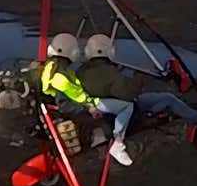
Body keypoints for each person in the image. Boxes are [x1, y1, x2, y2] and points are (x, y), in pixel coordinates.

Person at [40, 33, 135, 166]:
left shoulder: (52, 69)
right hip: (87, 104)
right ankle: (118, 143)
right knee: (127, 106)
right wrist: (90, 107)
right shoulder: (61, 76)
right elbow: (76, 96)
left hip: (83, 104)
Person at [80, 34, 197, 126]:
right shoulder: (110, 72)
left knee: (158, 98)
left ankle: (161, 111)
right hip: (124, 109)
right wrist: (140, 77)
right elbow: (128, 94)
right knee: (168, 99)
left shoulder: (81, 71)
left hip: (103, 108)